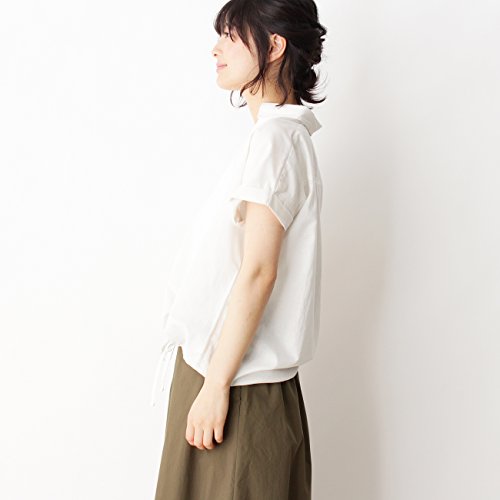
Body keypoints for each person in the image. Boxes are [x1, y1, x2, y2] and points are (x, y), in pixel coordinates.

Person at [152, 0, 327, 498]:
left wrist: (214, 386)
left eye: (231, 36)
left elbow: (258, 272)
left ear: (274, 46)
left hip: (237, 387)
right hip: (226, 377)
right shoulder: (272, 139)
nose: (216, 49)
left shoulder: (277, 141)